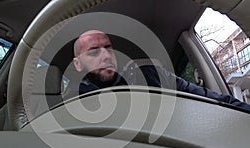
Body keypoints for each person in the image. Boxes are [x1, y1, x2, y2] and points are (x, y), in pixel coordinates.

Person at [66, 30, 250, 111]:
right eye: (93, 51)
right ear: (77, 64)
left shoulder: (150, 75)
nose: (106, 55)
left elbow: (211, 98)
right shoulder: (69, 104)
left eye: (109, 48)